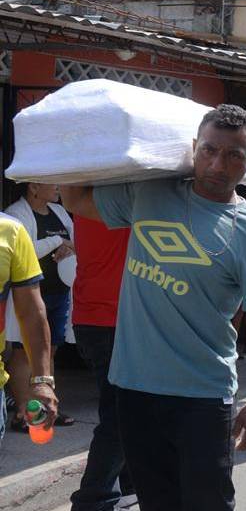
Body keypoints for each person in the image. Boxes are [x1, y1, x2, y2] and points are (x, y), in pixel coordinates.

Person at [60, 105, 246, 510]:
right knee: (156, 503)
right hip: (134, 390)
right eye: (209, 150)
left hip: (203, 396)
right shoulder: (150, 195)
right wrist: (77, 134)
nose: (217, 165)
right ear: (194, 148)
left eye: (233, 155)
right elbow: (73, 197)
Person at [69, 216, 133, 511]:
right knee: (120, 415)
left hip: (96, 318)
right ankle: (94, 500)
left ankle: (128, 484)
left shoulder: (84, 205)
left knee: (125, 409)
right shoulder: (119, 206)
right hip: (111, 321)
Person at [4, 182, 74, 432]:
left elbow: (75, 241)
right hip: (31, 296)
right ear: (33, 187)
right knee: (24, 352)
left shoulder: (60, 211)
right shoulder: (15, 214)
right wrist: (57, 240)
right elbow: (27, 251)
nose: (58, 187)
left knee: (48, 351)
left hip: (58, 292)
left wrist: (67, 245)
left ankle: (45, 408)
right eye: (51, 183)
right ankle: (23, 412)